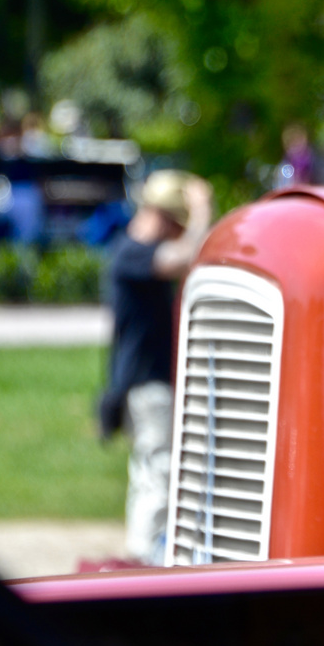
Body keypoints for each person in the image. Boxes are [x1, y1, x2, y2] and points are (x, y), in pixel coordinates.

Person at [99, 169, 214, 565]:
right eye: (176, 225)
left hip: (142, 383)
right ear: (163, 217)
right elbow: (181, 258)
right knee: (159, 471)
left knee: (149, 470)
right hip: (147, 385)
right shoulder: (132, 252)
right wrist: (202, 213)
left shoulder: (127, 251)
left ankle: (142, 551)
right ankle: (145, 558)